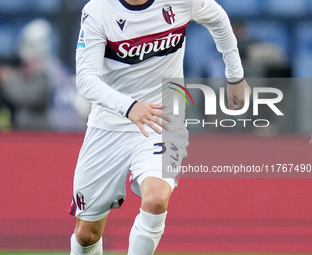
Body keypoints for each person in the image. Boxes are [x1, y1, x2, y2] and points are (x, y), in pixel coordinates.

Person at [69, 0, 250, 254]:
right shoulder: (98, 10)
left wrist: (235, 75)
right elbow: (86, 80)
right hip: (109, 124)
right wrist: (130, 107)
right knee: (87, 234)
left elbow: (218, 18)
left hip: (163, 120)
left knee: (156, 199)